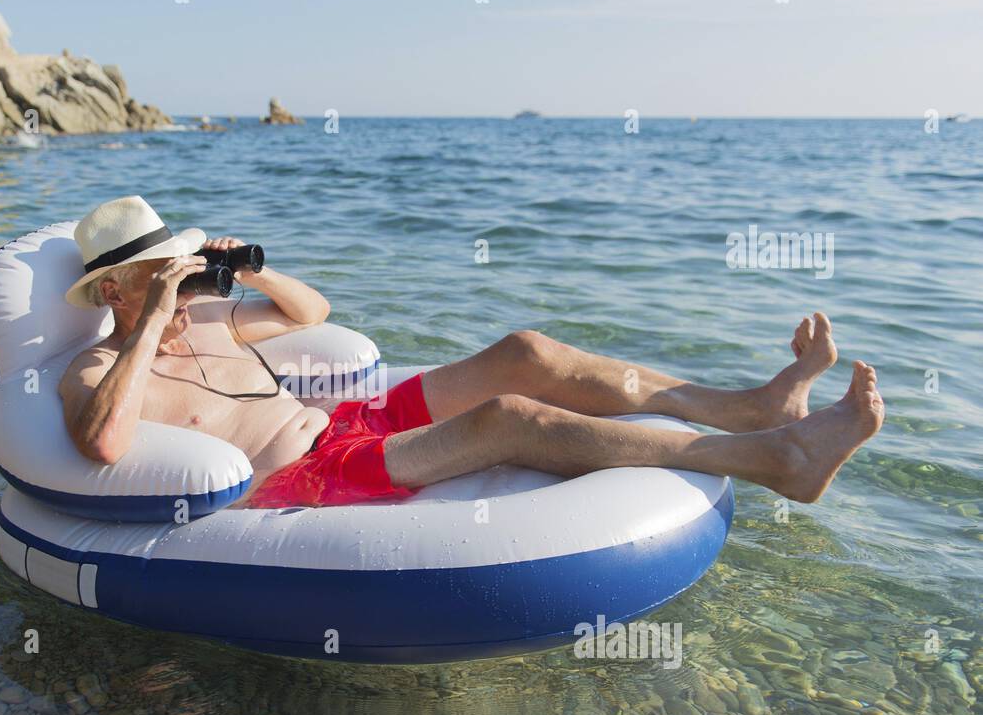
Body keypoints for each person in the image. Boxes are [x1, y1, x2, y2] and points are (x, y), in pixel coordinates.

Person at [61, 197, 883, 509]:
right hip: (306, 477)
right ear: (112, 291)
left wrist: (250, 269)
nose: (175, 282)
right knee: (509, 417)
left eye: (173, 265)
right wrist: (155, 313)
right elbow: (104, 438)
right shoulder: (95, 369)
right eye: (153, 273)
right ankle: (774, 458)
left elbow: (313, 309)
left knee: (524, 351)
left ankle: (752, 405)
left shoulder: (215, 322)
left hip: (345, 423)